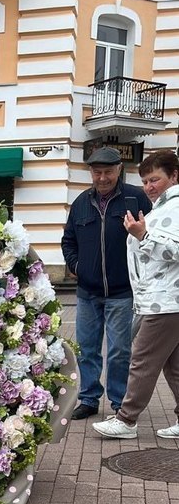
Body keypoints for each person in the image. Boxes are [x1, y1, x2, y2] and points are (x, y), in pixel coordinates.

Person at [92, 150, 179, 439]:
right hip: (160, 299)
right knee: (173, 366)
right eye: (144, 181)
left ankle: (127, 420)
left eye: (155, 179)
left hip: (164, 301)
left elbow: (175, 252)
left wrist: (143, 235)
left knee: (141, 361)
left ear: (174, 176)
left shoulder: (175, 207)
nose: (149, 187)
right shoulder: (163, 208)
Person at [61, 146, 152, 420]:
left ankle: (118, 402)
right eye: (97, 172)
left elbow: (152, 235)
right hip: (87, 292)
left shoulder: (135, 199)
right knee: (87, 349)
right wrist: (77, 267)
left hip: (122, 292)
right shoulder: (80, 202)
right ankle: (88, 399)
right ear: (91, 172)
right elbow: (68, 241)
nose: (102, 178)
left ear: (119, 170)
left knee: (119, 351)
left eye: (108, 172)